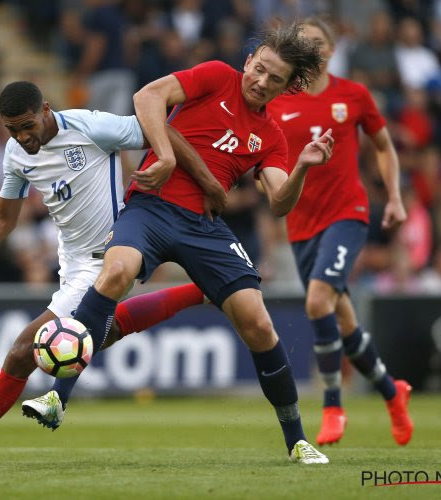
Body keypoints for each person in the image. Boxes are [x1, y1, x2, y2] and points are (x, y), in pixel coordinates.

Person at [0, 80, 225, 466]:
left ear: (46, 109)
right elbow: (2, 219)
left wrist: (208, 182)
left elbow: (162, 129)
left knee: (21, 352)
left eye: (28, 125)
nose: (23, 137)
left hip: (109, 258)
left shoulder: (91, 126)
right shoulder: (15, 154)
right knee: (103, 332)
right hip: (72, 261)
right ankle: (200, 293)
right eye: (12, 129)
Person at [36, 24, 334, 464]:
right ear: (249, 61)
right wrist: (167, 154)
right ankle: (56, 398)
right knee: (115, 272)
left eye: (276, 79)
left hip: (204, 227)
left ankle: (297, 440)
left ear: (288, 87)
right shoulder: (216, 76)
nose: (262, 82)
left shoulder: (271, 136)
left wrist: (303, 168)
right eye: (260, 69)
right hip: (152, 207)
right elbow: (146, 98)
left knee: (258, 324)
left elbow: (279, 202)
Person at [266, 17, 413, 446]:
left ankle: (333, 406)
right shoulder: (278, 101)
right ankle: (392, 392)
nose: (310, 49)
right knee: (342, 319)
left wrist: (396, 196)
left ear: (329, 51)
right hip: (300, 224)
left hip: (348, 213)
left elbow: (384, 146)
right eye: (302, 44)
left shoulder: (354, 95)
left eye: (316, 43)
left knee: (316, 301)